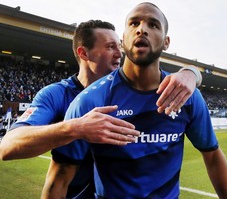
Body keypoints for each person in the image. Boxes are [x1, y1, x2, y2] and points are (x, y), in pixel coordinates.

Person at [48, 2, 227, 199]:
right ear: (123, 40)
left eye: (153, 25)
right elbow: (60, 177)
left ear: (166, 41)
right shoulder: (90, 101)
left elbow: (213, 155)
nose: (141, 30)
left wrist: (193, 72)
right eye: (134, 23)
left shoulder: (185, 96)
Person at [0, 19, 202, 198]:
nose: (119, 54)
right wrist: (75, 128)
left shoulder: (127, 94)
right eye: (110, 47)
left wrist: (192, 72)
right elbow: (7, 146)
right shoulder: (57, 95)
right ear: (84, 53)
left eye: (119, 46)